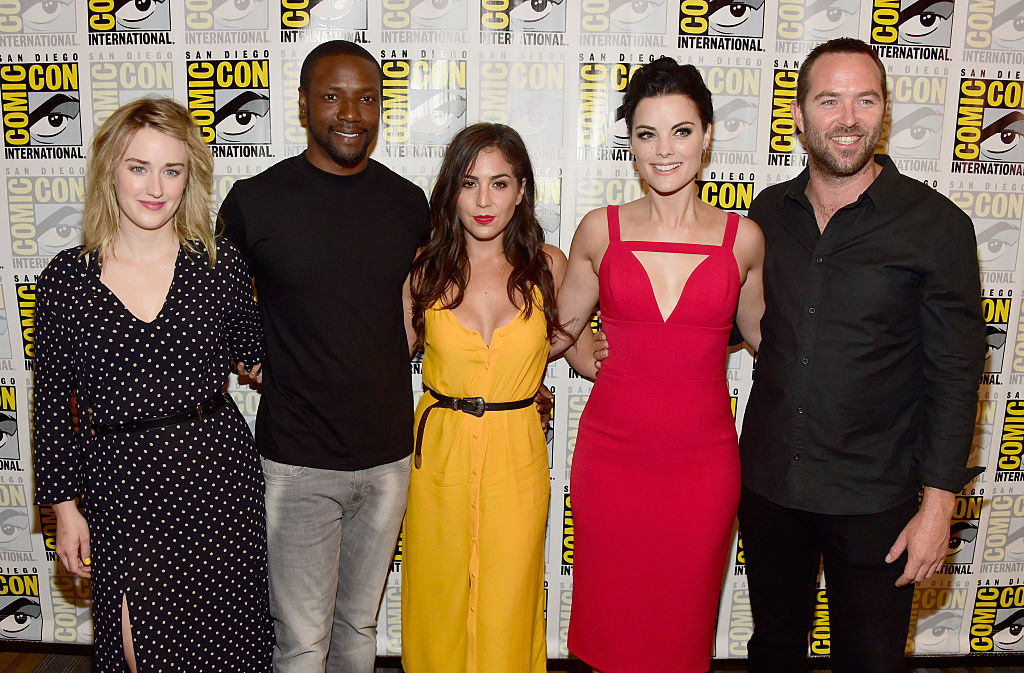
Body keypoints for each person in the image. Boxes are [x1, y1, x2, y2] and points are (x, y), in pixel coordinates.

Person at [737, 38, 985, 672]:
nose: (848, 118)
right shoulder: (766, 216)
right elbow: (730, 322)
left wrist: (938, 507)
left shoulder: (937, 227)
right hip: (770, 489)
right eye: (830, 100)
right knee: (774, 652)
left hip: (876, 500)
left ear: (885, 111)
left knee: (872, 663)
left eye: (865, 99)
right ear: (798, 116)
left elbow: (957, 377)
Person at [32, 97, 271, 673]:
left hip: (216, 477)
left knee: (225, 643)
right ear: (111, 169)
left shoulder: (217, 264)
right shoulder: (67, 278)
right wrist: (65, 509)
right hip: (121, 484)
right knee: (138, 648)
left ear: (190, 177)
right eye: (139, 167)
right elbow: (48, 406)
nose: (155, 187)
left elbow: (260, 359)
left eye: (172, 169)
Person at [218, 41, 428, 673]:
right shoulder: (255, 201)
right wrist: (247, 355)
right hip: (296, 462)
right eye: (333, 95)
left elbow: (426, 305)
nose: (351, 113)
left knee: (358, 630)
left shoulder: (409, 202)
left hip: (389, 456)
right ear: (304, 103)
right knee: (303, 642)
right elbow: (216, 305)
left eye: (368, 98)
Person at [552, 57, 765, 673]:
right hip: (613, 456)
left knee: (681, 625)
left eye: (681, 131)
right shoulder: (601, 231)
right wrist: (591, 359)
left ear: (707, 136)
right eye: (647, 134)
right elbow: (559, 332)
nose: (664, 150)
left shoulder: (741, 238)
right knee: (611, 624)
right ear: (630, 143)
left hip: (703, 463)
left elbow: (763, 339)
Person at [401, 122, 587, 673]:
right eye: (469, 182)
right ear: (450, 190)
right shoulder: (423, 269)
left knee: (510, 597)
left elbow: (581, 350)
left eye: (500, 183)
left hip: (517, 454)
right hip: (439, 453)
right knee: (436, 597)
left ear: (522, 189)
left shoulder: (550, 267)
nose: (484, 200)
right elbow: (382, 363)